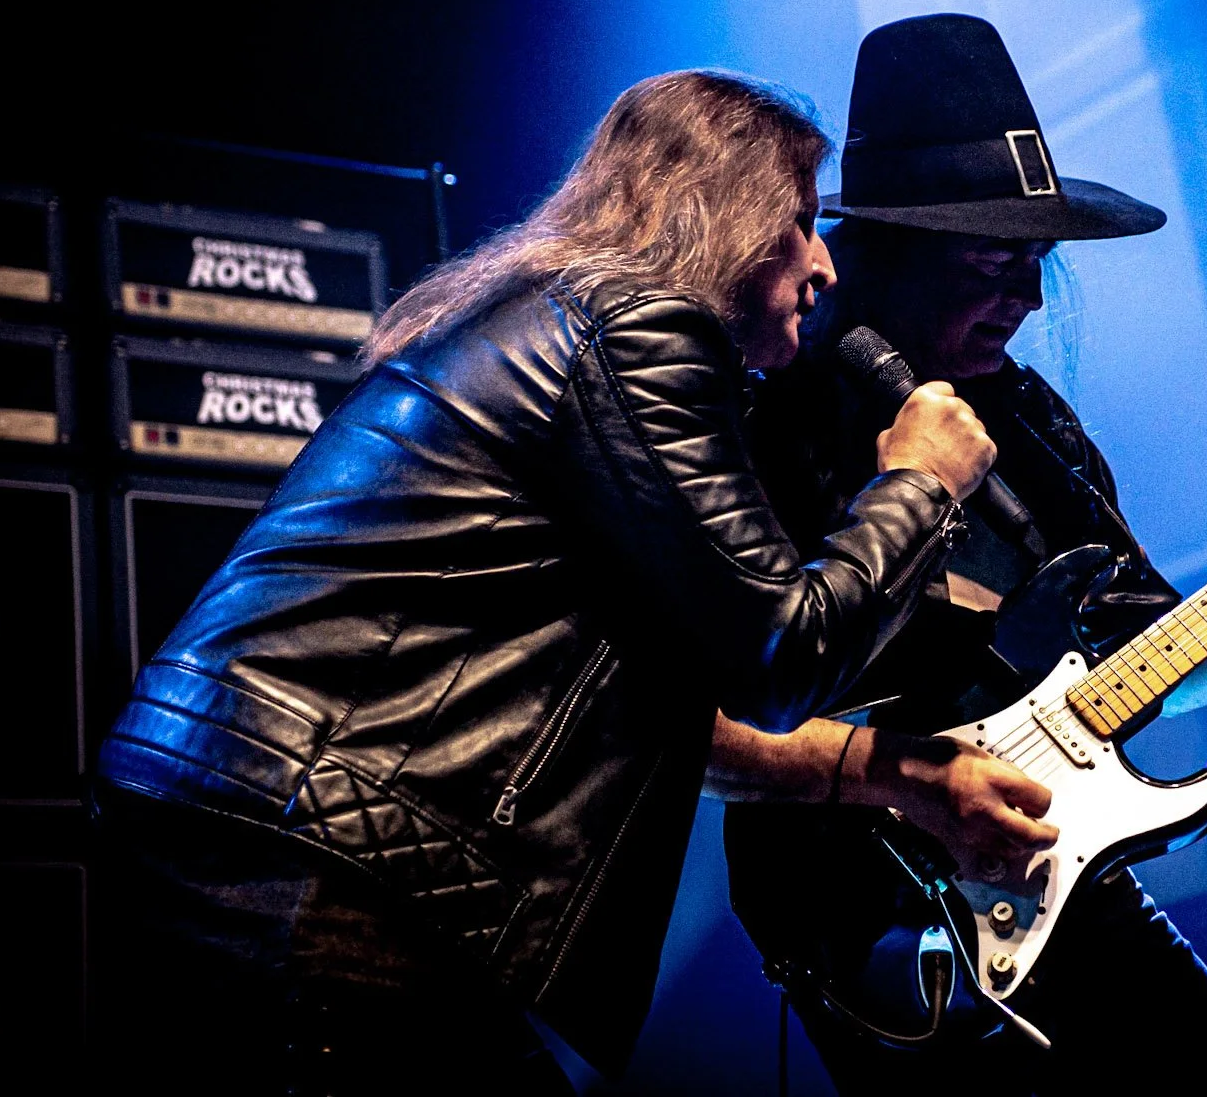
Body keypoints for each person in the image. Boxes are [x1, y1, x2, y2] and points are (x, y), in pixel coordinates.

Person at [90, 70, 997, 1094]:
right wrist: (920, 483)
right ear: (728, 211)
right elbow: (780, 653)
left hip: (245, 830)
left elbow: (677, 705)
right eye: (797, 221)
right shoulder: (638, 327)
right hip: (327, 860)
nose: (822, 261)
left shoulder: (543, 317)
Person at [711, 16, 1207, 1093]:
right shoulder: (763, 425)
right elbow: (713, 705)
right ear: (888, 255)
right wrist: (912, 777)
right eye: (993, 262)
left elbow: (1140, 660)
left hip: (1054, 872)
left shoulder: (1032, 426)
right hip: (876, 920)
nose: (1026, 297)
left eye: (1036, 263)